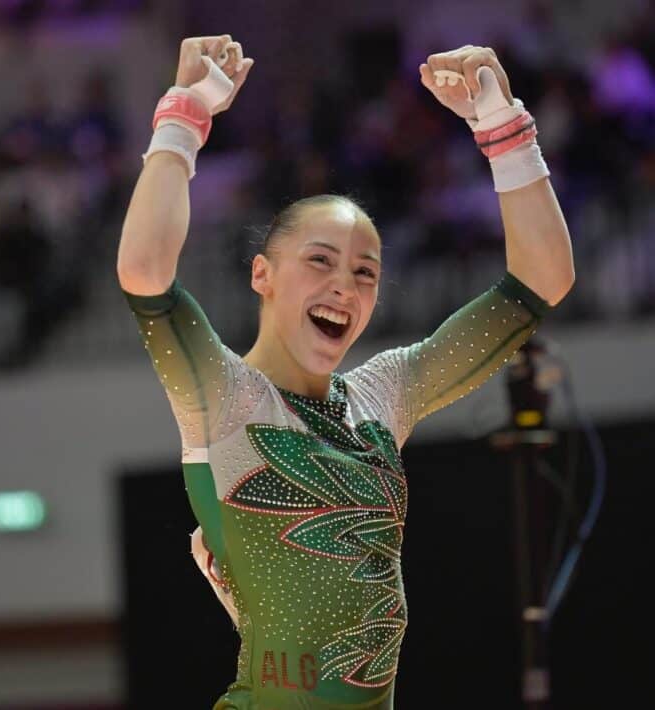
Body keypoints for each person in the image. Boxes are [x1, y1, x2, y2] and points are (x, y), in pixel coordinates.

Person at [117, 35, 575, 710]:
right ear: (262, 275)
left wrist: (503, 127)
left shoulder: (381, 397)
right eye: (320, 260)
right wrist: (184, 114)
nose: (345, 285)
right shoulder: (228, 398)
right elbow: (144, 273)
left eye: (366, 272)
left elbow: (539, 283)